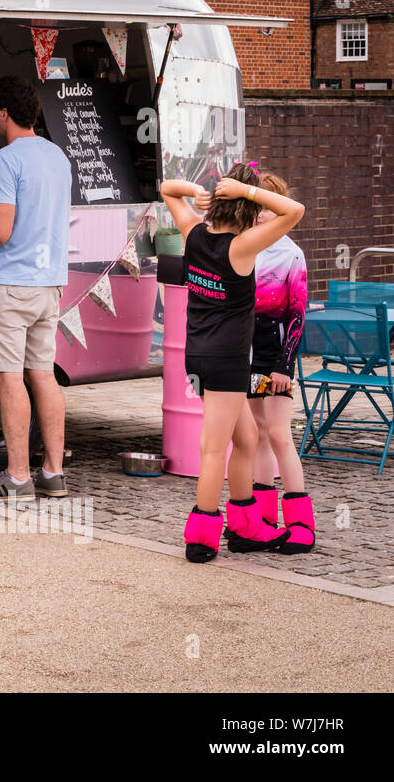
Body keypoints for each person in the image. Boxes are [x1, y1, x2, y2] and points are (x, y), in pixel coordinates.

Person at [160, 163, 305, 563]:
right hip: (226, 361)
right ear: (244, 208)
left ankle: (247, 527)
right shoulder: (242, 247)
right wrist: (250, 190)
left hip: (201, 356)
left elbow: (167, 190)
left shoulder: (195, 234)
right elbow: (295, 211)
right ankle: (202, 536)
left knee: (245, 440)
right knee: (213, 449)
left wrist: (196, 191)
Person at [0, 75, 72, 503]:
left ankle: (18, 478)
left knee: (8, 382)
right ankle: (53, 474)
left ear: (4, 113)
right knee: (43, 377)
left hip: (9, 285)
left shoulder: (5, 160)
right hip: (48, 284)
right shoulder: (58, 156)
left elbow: (1, 232)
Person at [246, 171, 314, 554]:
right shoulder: (243, 246)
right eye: (255, 207)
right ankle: (263, 519)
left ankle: (301, 523)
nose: (260, 215)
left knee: (277, 434)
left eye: (269, 207)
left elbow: (297, 315)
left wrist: (284, 368)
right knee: (255, 433)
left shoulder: (291, 254)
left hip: (274, 359)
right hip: (246, 359)